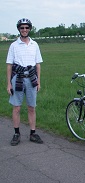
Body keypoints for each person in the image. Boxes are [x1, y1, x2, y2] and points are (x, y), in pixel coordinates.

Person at [6, 18, 43, 146]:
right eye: (22, 28)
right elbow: (9, 66)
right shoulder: (14, 45)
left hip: (32, 78)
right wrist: (9, 83)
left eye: (27, 27)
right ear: (19, 29)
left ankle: (33, 133)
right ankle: (16, 134)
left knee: (31, 107)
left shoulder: (35, 45)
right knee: (16, 107)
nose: (24, 30)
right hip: (18, 78)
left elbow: (38, 64)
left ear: (30, 29)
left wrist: (38, 81)